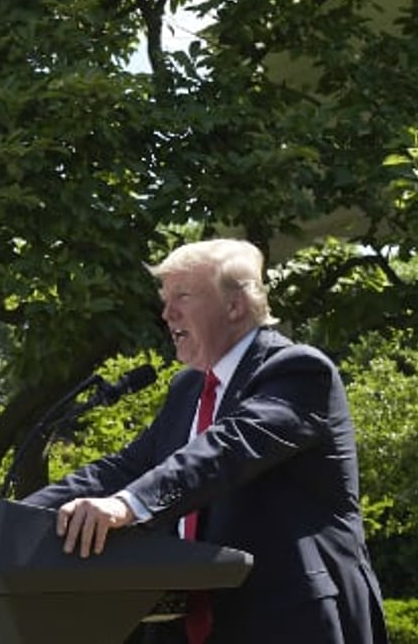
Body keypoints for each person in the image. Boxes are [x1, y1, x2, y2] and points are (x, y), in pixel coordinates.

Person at [22, 238, 389, 644]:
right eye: (164, 299)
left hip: (289, 620)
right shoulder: (188, 388)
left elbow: (225, 450)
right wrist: (16, 515)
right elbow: (126, 467)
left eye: (182, 295)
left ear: (235, 306)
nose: (166, 313)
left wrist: (125, 505)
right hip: (191, 625)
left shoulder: (297, 371)